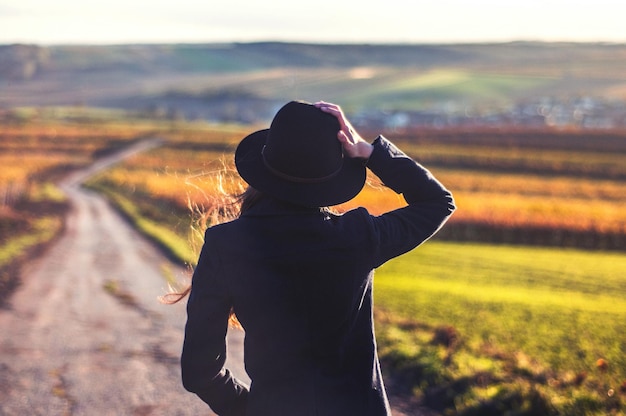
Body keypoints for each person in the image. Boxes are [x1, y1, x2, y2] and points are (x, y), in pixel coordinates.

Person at [180, 100, 455, 416]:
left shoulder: (225, 243)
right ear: (331, 175)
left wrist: (251, 408)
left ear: (265, 165)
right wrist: (371, 152)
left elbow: (199, 370)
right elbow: (437, 202)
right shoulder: (360, 236)